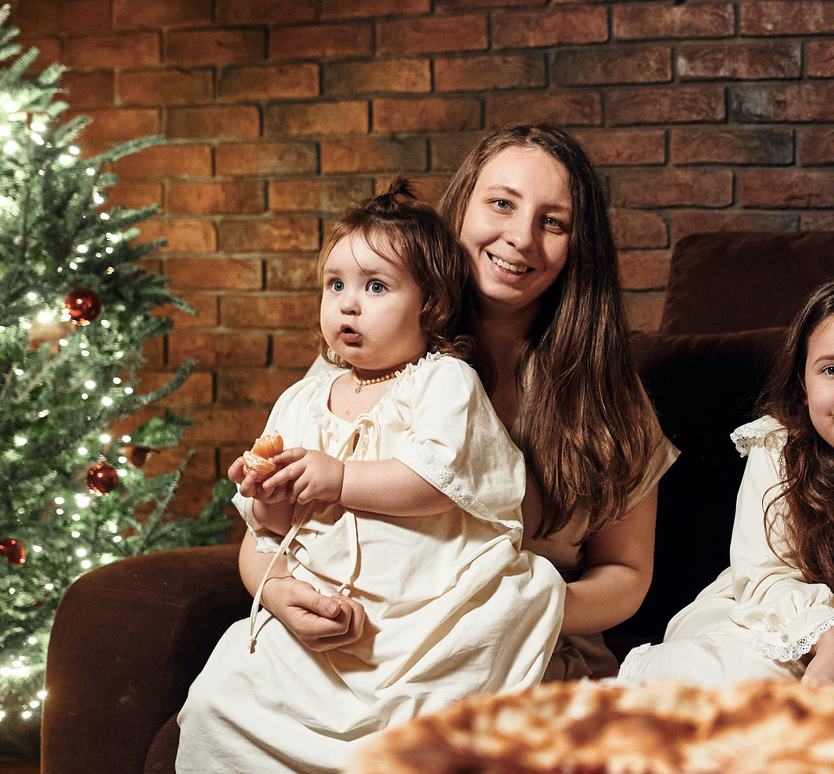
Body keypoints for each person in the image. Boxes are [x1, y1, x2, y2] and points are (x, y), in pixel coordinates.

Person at [174, 182, 564, 774]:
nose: (349, 303)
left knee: (429, 730)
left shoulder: (442, 381)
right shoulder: (306, 396)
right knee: (217, 702)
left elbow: (435, 480)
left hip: (414, 621)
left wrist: (337, 475)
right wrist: (269, 500)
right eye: (335, 285)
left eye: (377, 287)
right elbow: (271, 531)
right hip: (321, 616)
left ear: (430, 305)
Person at [251, 125, 675, 680]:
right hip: (367, 647)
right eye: (502, 203)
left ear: (579, 248)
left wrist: (505, 610)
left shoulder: (608, 391)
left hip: (521, 649)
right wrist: (282, 594)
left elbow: (626, 573)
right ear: (460, 210)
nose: (521, 237)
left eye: (553, 223)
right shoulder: (364, 357)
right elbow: (269, 535)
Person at [620, 277, 834, 688]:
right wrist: (831, 634)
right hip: (765, 613)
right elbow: (762, 574)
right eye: (832, 370)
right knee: (723, 667)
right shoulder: (779, 445)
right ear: (803, 386)